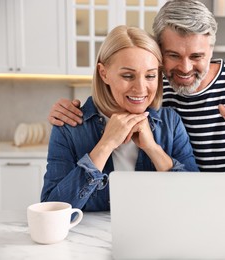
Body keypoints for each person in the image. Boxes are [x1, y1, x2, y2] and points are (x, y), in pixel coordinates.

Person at [47, 0, 225, 211]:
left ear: (211, 49)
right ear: (159, 53)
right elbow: (117, 87)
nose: (185, 68)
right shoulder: (151, 87)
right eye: (174, 55)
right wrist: (69, 111)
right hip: (180, 215)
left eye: (196, 56)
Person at [41, 25, 199, 211]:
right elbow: (52, 210)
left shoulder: (171, 123)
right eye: (127, 75)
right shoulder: (69, 127)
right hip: (88, 239)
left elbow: (194, 200)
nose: (140, 88)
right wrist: (105, 145)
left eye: (150, 75)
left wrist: (153, 149)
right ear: (104, 73)